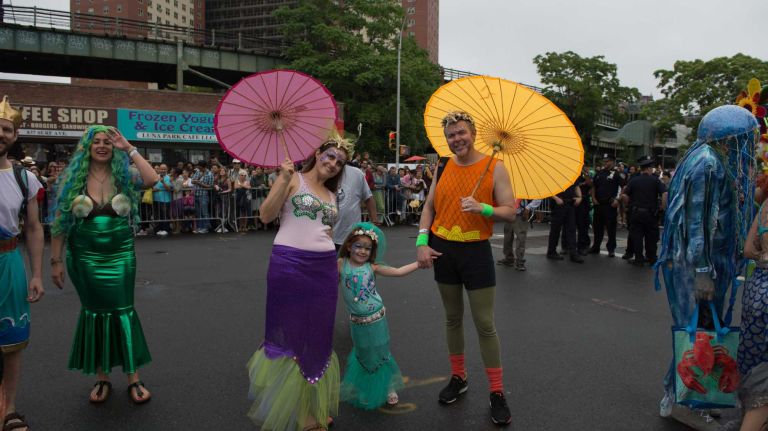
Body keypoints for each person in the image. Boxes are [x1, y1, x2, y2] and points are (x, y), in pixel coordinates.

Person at [655, 105, 758, 419]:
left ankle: (681, 395)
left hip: (707, 264)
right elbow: (697, 221)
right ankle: (688, 401)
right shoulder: (706, 163)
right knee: (698, 333)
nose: (751, 144)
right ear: (729, 138)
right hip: (698, 266)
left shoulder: (712, 161)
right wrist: (702, 272)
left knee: (701, 332)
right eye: (746, 137)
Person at [246, 133, 352, 431]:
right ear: (318, 153)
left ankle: (310, 403)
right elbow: (266, 216)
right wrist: (282, 178)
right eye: (330, 156)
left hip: (324, 270)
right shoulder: (293, 179)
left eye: (340, 162)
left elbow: (325, 228)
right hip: (289, 267)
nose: (333, 164)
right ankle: (301, 412)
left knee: (317, 337)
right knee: (292, 337)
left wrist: (329, 242)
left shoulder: (333, 196)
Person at [416, 111, 516, 426]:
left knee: (485, 323)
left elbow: (510, 211)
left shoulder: (495, 166)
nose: (456, 139)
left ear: (472, 133)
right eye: (451, 135)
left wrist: (482, 207)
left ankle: (497, 392)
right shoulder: (443, 165)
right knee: (452, 319)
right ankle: (459, 377)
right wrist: (422, 240)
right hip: (443, 249)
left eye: (461, 132)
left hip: (476, 252)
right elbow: (430, 206)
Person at [49, 125, 159, 405]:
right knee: (95, 314)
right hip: (83, 259)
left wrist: (129, 148)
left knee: (123, 311)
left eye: (106, 142)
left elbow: (152, 178)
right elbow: (60, 224)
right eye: (95, 142)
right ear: (86, 147)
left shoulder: (125, 176)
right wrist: (56, 261)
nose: (101, 146)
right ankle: (102, 376)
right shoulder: (72, 180)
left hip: (121, 255)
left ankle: (133, 377)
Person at [337, 222, 423, 410]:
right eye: (358, 246)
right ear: (349, 246)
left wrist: (419, 263)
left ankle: (389, 387)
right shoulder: (341, 265)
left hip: (377, 318)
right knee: (364, 353)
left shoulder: (372, 267)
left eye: (367, 248)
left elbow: (398, 272)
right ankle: (367, 388)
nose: (362, 251)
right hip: (358, 322)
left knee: (381, 352)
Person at [0, 96, 44, 431]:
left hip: (8, 263)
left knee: (11, 343)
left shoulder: (24, 179)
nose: (1, 133)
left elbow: (32, 227)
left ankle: (9, 409)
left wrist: (37, 273)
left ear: (14, 136)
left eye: (6, 129)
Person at [621, 156, 667, 267]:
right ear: (649, 168)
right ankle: (651, 258)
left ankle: (638, 259)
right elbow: (665, 193)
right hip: (651, 214)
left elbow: (624, 195)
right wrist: (663, 207)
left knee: (637, 236)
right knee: (651, 237)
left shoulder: (633, 180)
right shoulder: (655, 180)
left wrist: (628, 205)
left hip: (636, 213)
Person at [332, 164, 378, 250]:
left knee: (352, 262)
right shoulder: (323, 172)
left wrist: (374, 222)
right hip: (327, 237)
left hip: (353, 234)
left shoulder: (356, 173)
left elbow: (368, 198)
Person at [589, 154, 624, 257]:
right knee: (597, 228)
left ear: (613, 162)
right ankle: (596, 247)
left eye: (608, 161)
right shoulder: (599, 173)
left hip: (610, 205)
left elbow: (624, 187)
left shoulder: (617, 174)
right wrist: (594, 198)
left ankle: (611, 249)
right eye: (604, 161)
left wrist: (618, 200)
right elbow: (593, 186)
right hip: (598, 204)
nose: (605, 163)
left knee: (611, 229)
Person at [497, 198, 541, 271]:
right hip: (509, 214)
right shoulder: (510, 187)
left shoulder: (527, 188)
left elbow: (538, 199)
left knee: (521, 239)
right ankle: (509, 258)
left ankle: (520, 261)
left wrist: (528, 208)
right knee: (507, 238)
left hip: (521, 215)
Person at [546, 181, 584, 263]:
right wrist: (556, 198)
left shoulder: (570, 173)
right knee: (555, 229)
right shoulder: (552, 174)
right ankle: (551, 251)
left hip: (569, 203)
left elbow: (576, 186)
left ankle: (573, 253)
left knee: (571, 229)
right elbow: (547, 189)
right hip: (558, 204)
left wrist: (580, 197)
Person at [191, 160, 214, 233]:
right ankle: (199, 227)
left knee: (204, 212)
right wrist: (196, 181)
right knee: (198, 212)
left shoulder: (210, 174)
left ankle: (206, 227)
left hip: (203, 195)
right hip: (196, 194)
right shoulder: (198, 172)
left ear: (203, 166)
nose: (198, 167)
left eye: (199, 166)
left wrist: (199, 183)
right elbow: (192, 180)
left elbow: (210, 186)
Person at [152, 163, 172, 236]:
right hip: (156, 199)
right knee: (158, 215)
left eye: (164, 169)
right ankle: (159, 229)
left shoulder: (168, 177)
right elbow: (151, 187)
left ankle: (166, 229)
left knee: (165, 215)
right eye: (162, 169)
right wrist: (153, 189)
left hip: (165, 200)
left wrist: (163, 182)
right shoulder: (156, 176)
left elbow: (169, 189)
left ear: (167, 170)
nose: (163, 170)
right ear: (159, 169)